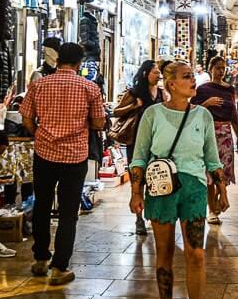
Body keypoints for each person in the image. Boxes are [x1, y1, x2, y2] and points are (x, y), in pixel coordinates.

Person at [129, 61, 228, 299]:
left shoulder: (203, 116)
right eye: (187, 77)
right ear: (171, 84)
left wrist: (220, 188)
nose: (193, 81)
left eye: (193, 77)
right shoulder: (153, 114)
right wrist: (136, 192)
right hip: (161, 189)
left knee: (196, 255)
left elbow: (212, 157)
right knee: (165, 253)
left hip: (195, 189)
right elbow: (139, 157)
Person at [20, 42, 105, 284]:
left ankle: (40, 259)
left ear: (57, 60)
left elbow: (26, 117)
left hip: (44, 154)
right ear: (79, 63)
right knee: (68, 213)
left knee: (42, 206)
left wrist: (39, 133)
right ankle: (59, 267)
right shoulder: (89, 88)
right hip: (74, 157)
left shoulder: (39, 85)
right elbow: (99, 123)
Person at [114, 60, 163, 235]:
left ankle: (150, 214)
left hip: (156, 142)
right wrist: (134, 105)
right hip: (135, 142)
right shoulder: (134, 93)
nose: (158, 75)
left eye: (159, 72)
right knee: (138, 180)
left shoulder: (162, 94)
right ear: (145, 74)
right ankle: (139, 219)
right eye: (155, 72)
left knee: (154, 178)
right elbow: (116, 112)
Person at [192, 56, 238, 223]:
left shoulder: (229, 90)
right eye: (218, 68)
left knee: (225, 171)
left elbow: (233, 114)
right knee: (210, 174)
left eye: (223, 68)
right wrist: (207, 103)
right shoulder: (203, 89)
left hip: (226, 133)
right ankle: (211, 210)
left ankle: (219, 200)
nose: (221, 71)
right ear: (210, 68)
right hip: (208, 132)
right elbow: (192, 111)